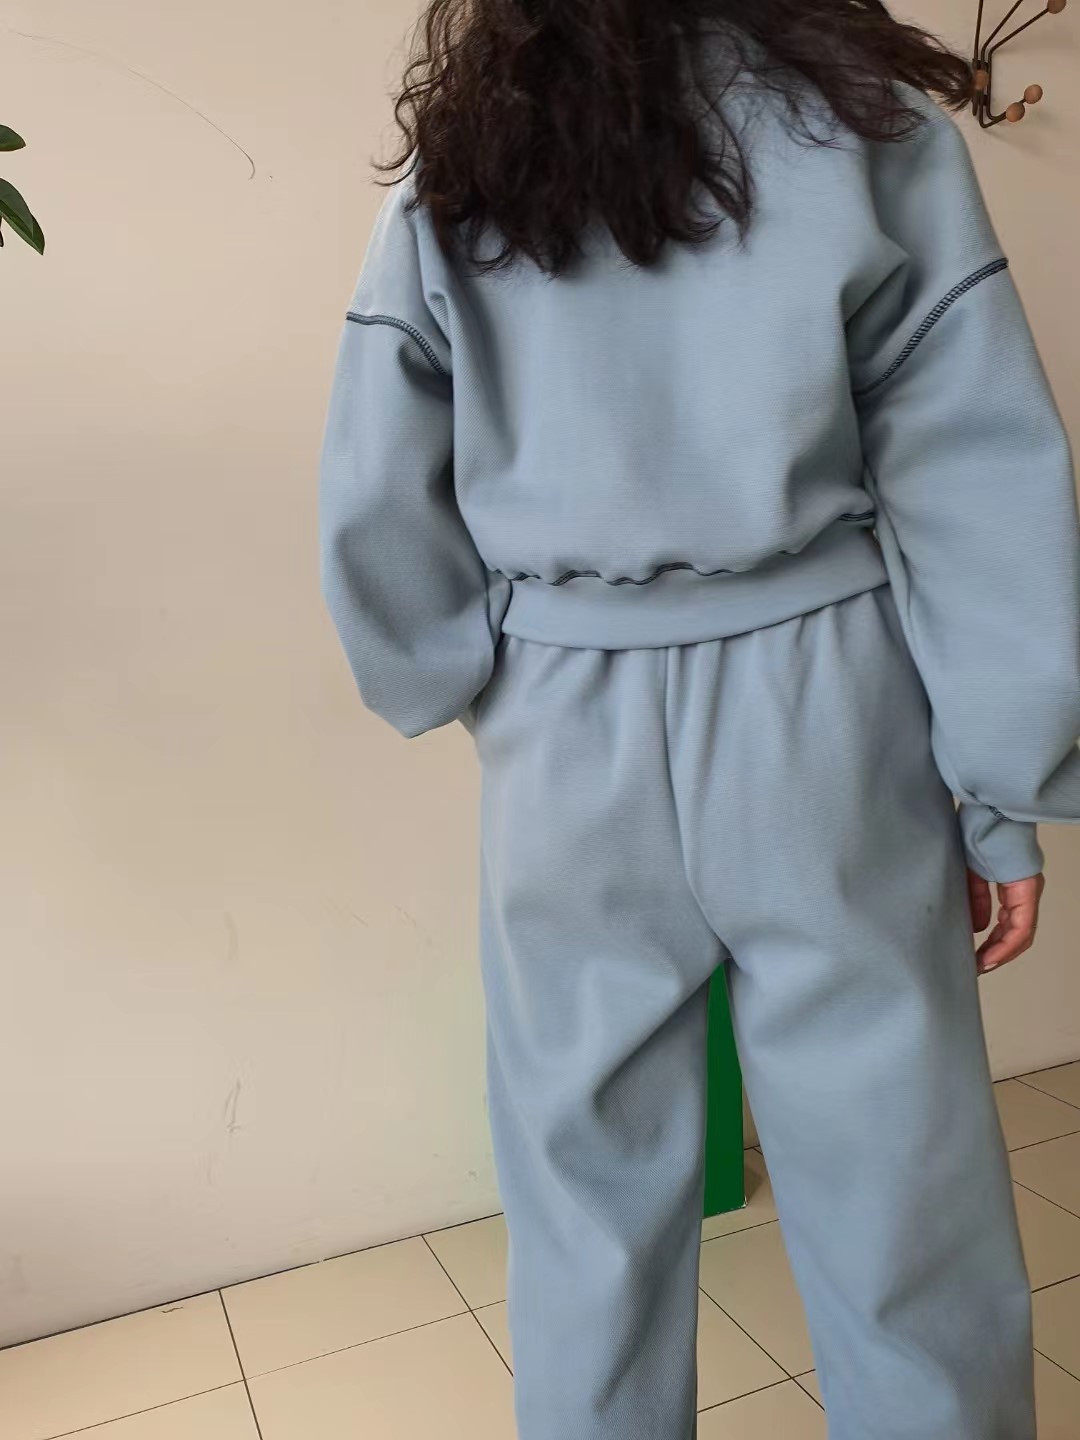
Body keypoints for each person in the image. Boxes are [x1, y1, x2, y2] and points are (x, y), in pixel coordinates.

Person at [318, 3, 1080, 1436]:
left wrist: (463, 670)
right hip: (826, 700)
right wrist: (1000, 788)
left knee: (584, 1208)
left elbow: (380, 469)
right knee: (902, 1191)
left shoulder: (469, 155)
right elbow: (972, 467)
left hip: (564, 720)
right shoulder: (868, 127)